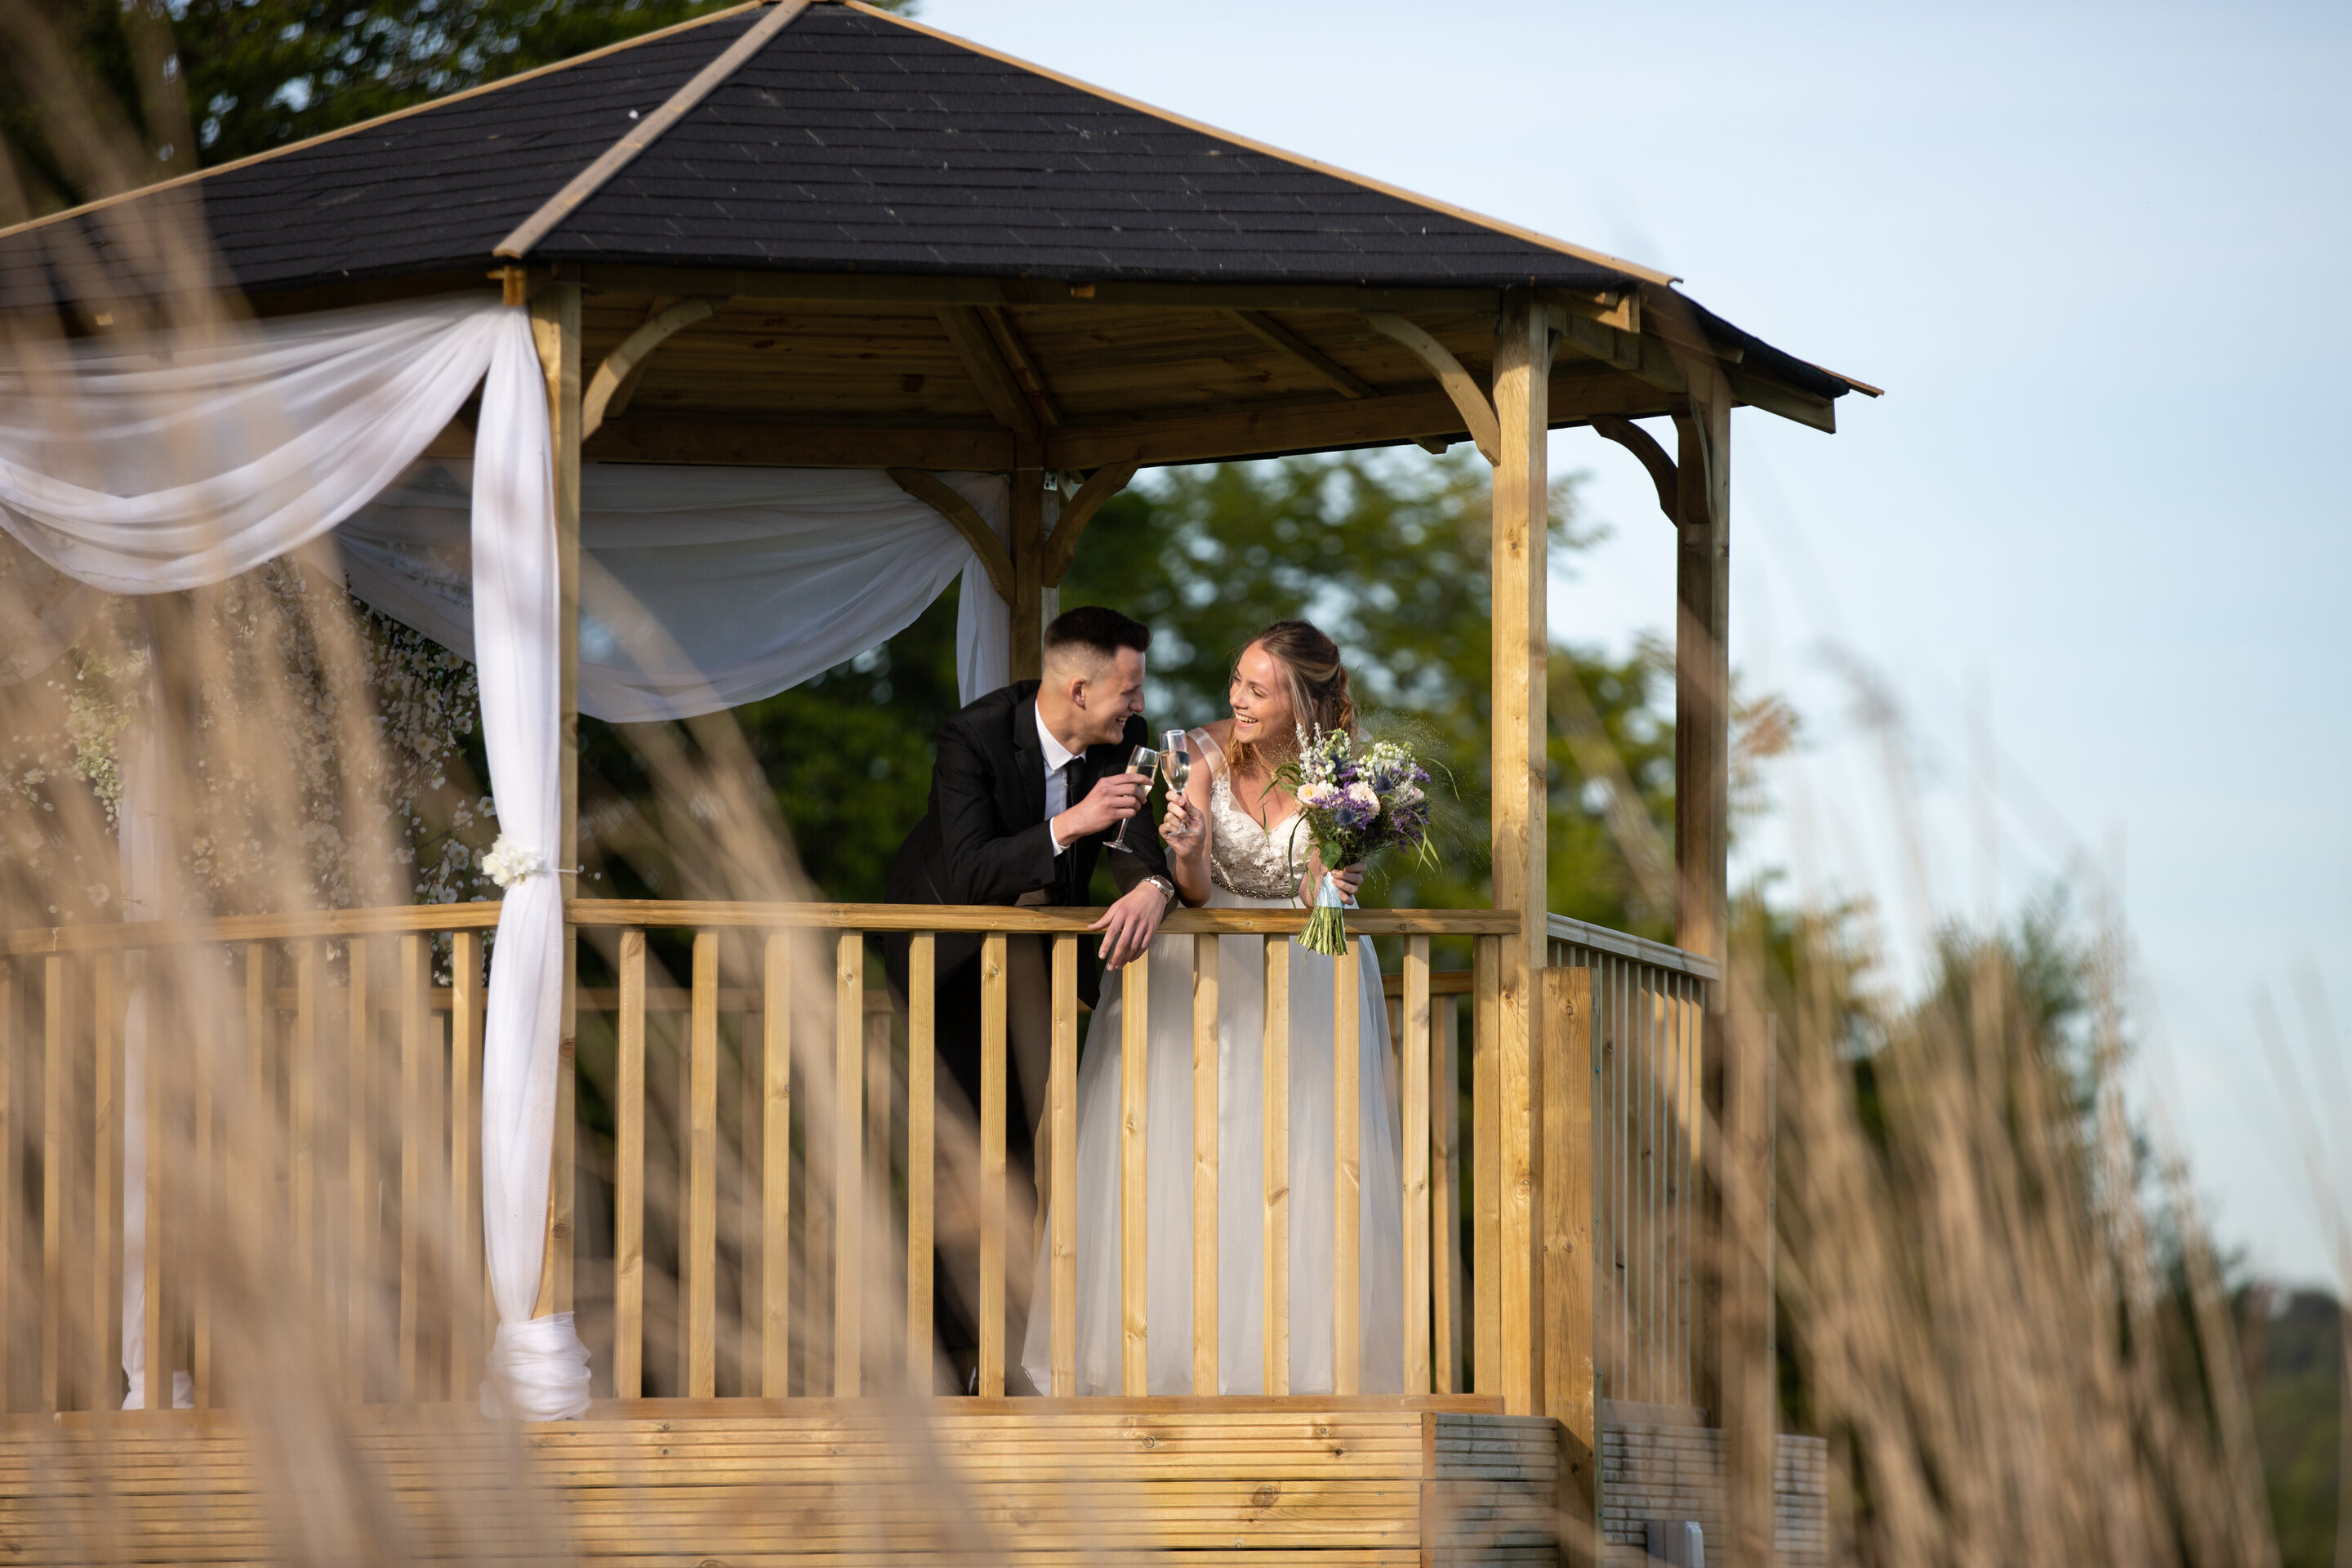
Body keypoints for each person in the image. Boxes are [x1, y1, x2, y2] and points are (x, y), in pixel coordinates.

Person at [1020, 619, 1403, 1395]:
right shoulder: (1192, 752)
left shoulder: (1345, 780)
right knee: (1187, 1151)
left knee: (1298, 1155)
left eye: (1257, 689)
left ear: (1302, 704)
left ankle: (1296, 1368)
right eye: (1237, 679)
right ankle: (1159, 1362)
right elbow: (1189, 885)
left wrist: (1334, 880)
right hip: (1199, 969)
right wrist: (1186, 849)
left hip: (1305, 966)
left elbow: (1312, 894)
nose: (1237, 697)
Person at [885, 605, 1181, 1392]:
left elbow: (1146, 859)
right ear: (1078, 689)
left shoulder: (1122, 747)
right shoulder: (974, 736)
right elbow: (974, 869)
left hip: (1041, 976)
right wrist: (1072, 822)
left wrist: (1153, 887)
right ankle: (945, 1366)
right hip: (941, 967)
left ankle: (1006, 1357)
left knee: (1024, 1165)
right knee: (957, 1163)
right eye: (1129, 690)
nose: (1140, 706)